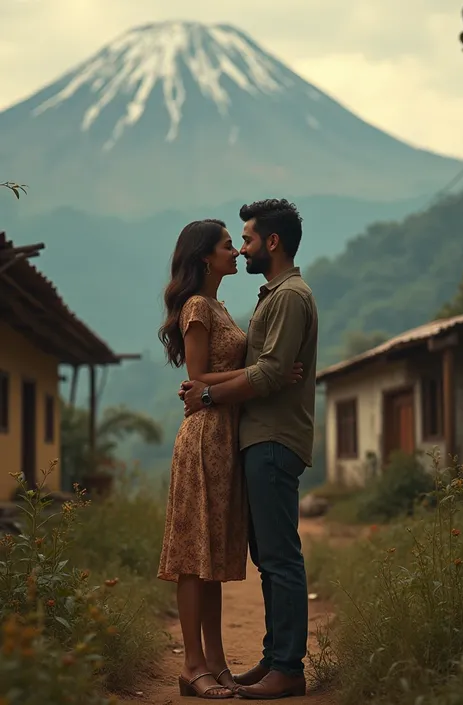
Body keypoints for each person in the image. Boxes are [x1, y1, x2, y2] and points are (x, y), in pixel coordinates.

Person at [157, 218, 303, 700]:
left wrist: (260, 374)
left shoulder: (218, 305)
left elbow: (209, 381)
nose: (236, 253)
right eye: (227, 246)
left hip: (227, 438)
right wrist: (266, 373)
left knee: (214, 555)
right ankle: (192, 665)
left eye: (239, 244)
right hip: (203, 437)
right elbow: (198, 377)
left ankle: (217, 662)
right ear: (205, 257)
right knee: (192, 556)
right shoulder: (198, 306)